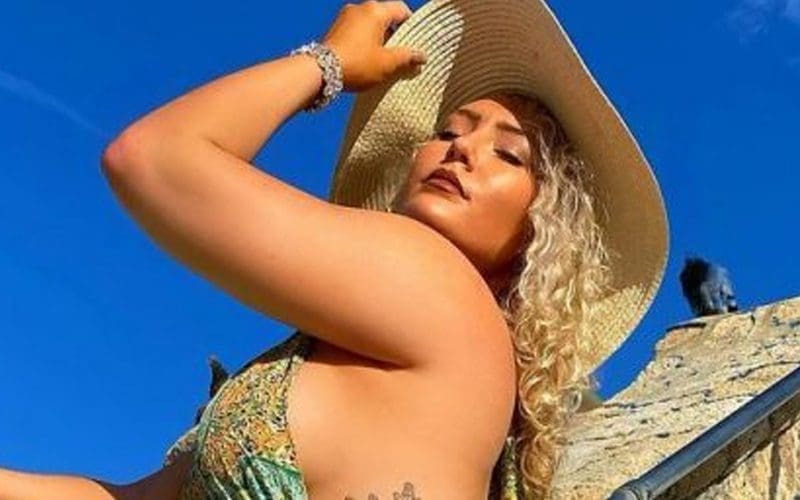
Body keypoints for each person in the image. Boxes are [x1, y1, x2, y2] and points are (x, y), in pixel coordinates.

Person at [0, 0, 668, 498]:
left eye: (509, 154)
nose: (461, 149)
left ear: (538, 231)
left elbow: (154, 160)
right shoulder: (358, 362)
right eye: (448, 131)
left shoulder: (438, 284)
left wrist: (327, 63)